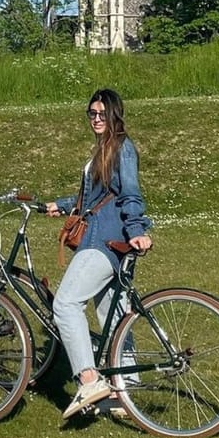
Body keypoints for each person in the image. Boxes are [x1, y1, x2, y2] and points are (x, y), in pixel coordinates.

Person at [46, 88, 152, 420]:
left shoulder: (122, 147)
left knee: (64, 304)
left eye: (101, 114)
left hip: (104, 241)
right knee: (113, 318)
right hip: (102, 237)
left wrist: (136, 229)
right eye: (91, 113)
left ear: (114, 115)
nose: (95, 119)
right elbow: (94, 197)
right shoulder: (103, 149)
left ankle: (90, 381)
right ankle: (126, 391)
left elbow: (129, 193)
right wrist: (61, 205)